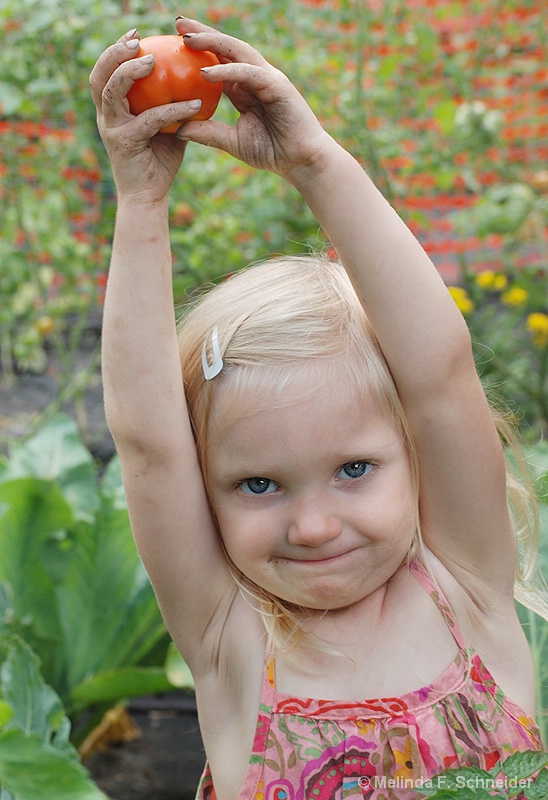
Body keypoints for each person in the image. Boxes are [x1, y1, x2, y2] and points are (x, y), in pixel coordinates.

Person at [90, 16, 546, 800]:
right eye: (258, 485)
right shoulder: (230, 638)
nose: (313, 526)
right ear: (207, 492)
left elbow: (439, 373)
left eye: (354, 470)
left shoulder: (467, 585)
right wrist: (140, 204)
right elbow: (149, 446)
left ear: (414, 451)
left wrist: (313, 162)